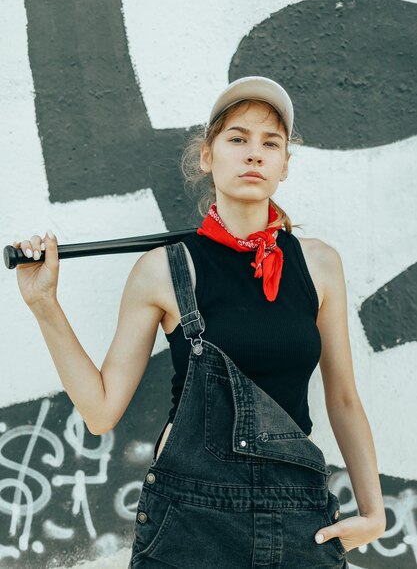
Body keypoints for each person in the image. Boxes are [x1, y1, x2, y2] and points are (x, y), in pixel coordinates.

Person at [14, 76, 386, 568]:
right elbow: (100, 411)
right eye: (237, 138)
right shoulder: (165, 270)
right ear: (207, 156)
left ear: (283, 166)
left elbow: (342, 399)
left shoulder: (319, 265)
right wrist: (44, 305)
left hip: (297, 518)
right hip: (188, 521)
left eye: (269, 143)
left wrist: (374, 513)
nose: (254, 154)